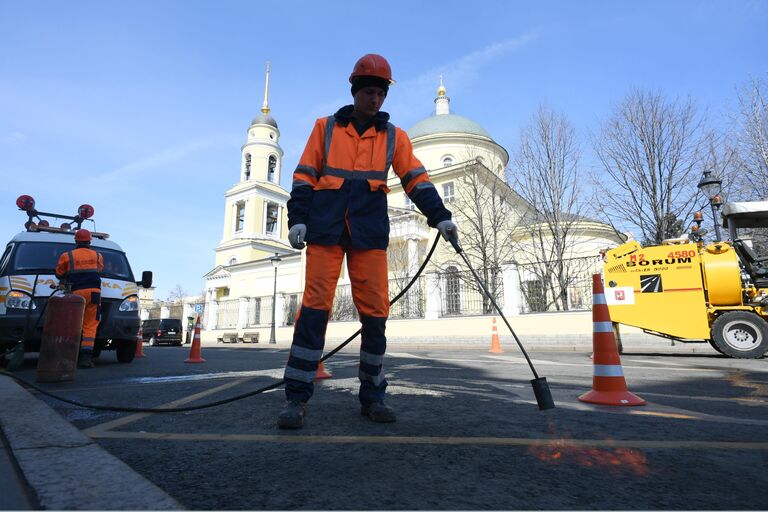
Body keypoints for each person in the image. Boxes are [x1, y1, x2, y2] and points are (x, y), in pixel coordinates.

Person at [279, 54, 458, 429]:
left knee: (376, 315)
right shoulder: (325, 128)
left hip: (369, 236)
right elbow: (304, 177)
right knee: (314, 311)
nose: (375, 100)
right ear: (355, 90)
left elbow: (416, 180)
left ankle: (373, 395)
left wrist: (440, 215)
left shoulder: (394, 137)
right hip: (326, 231)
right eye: (369, 92)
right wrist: (297, 220)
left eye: (381, 93)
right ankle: (296, 398)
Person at [55, 228, 104, 368]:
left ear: (76, 240)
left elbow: (59, 273)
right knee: (90, 324)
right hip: (94, 292)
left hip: (76, 292)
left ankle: (68, 354)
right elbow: (99, 270)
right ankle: (85, 358)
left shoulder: (67, 255)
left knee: (72, 323)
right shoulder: (97, 255)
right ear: (89, 241)